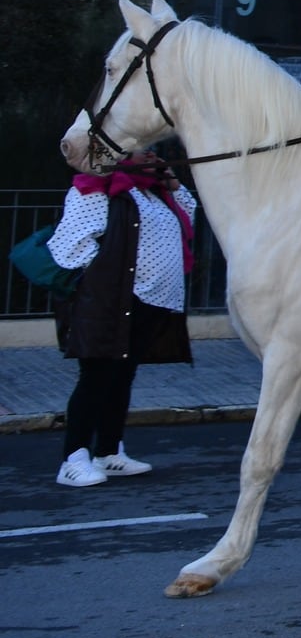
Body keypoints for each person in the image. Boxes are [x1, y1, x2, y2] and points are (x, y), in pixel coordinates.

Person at [48, 152, 194, 486]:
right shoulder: (99, 186)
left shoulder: (155, 192)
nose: (153, 155)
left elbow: (190, 217)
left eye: (156, 150)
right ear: (121, 154)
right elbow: (72, 242)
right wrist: (106, 276)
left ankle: (109, 452)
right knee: (96, 376)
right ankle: (73, 459)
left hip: (153, 301)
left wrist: (172, 181)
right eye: (144, 149)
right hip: (112, 301)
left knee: (121, 376)